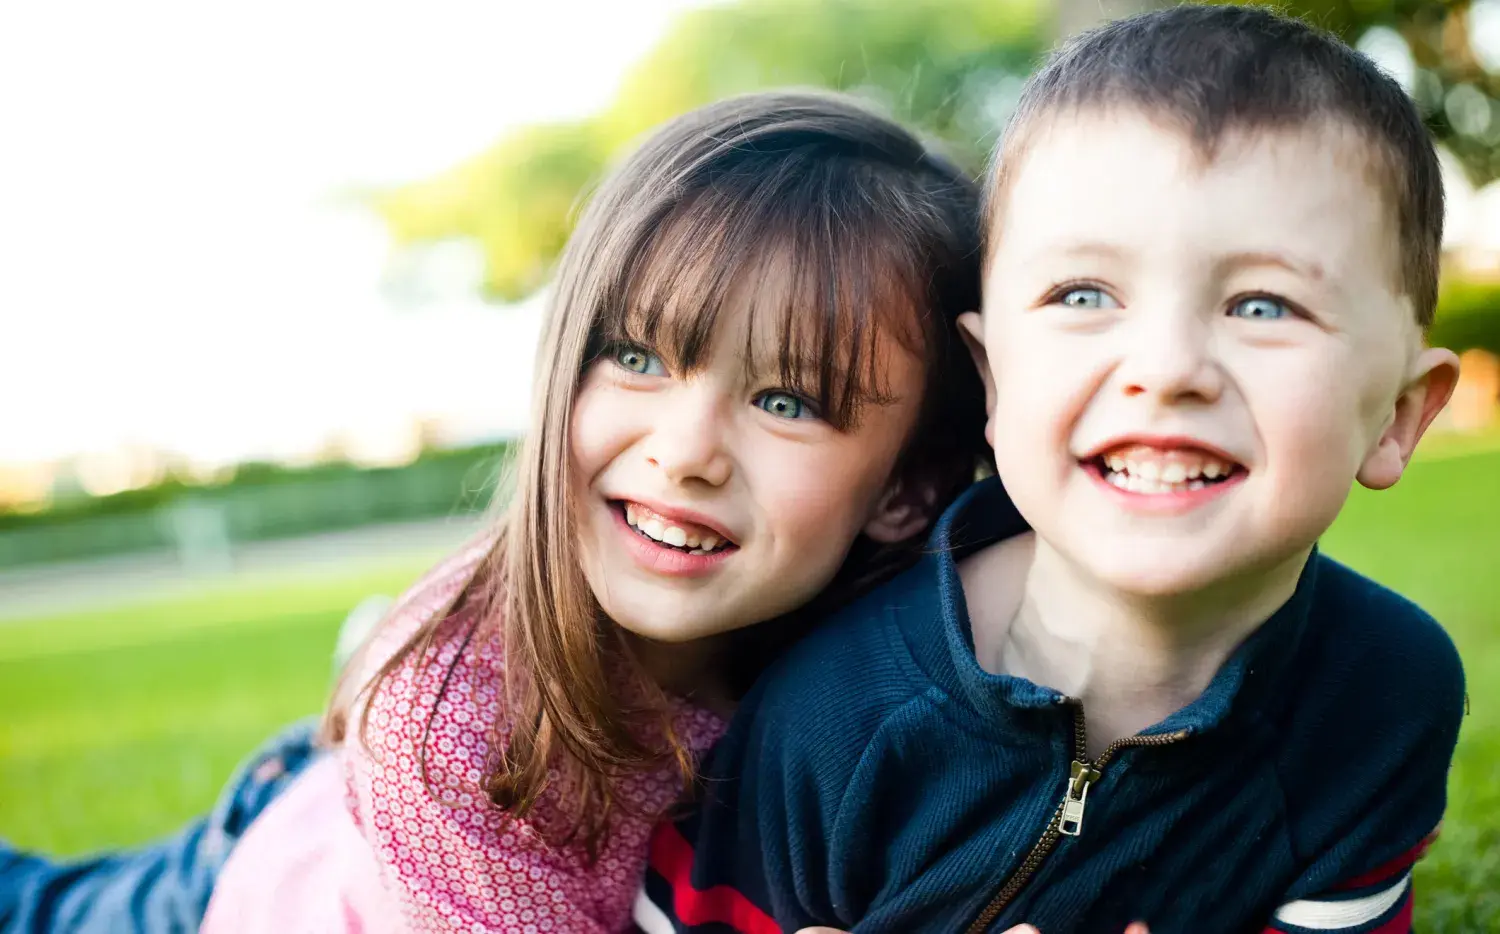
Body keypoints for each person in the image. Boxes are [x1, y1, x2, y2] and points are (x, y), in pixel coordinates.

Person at [1, 89, 995, 933]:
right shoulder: (466, 740)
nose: (685, 451)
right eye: (637, 357)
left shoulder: (907, 658)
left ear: (907, 489)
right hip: (246, 890)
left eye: (787, 401)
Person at [639, 7, 1466, 933]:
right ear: (992, 382)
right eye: (1083, 294)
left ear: (1397, 417)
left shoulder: (1386, 694)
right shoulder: (829, 718)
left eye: (1264, 304)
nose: (1166, 368)